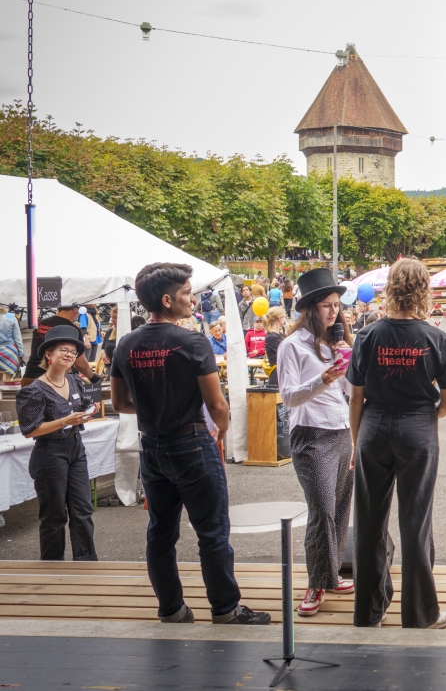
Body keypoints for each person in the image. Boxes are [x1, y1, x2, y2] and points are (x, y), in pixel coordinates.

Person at [111, 263, 270, 625]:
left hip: (151, 446)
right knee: (212, 532)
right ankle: (226, 609)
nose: (191, 298)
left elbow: (120, 404)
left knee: (160, 533)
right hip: (192, 442)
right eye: (186, 292)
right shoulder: (192, 342)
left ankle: (171, 608)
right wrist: (221, 431)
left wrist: (153, 408)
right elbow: (217, 405)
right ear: (167, 300)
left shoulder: (127, 344)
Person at [349, 258, 446, 630]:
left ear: (390, 287)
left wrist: (355, 442)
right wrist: (424, 421)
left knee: (367, 523)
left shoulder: (367, 334)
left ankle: (367, 613)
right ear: (423, 289)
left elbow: (355, 399)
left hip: (373, 428)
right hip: (417, 428)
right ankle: (420, 615)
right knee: (415, 522)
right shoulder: (434, 337)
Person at [277, 269, 356, 617]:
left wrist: (348, 368)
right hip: (310, 435)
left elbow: (350, 396)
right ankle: (315, 581)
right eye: (326, 305)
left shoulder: (337, 343)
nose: (333, 312)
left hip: (342, 432)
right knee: (321, 509)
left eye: (337, 305)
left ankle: (332, 574)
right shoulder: (291, 346)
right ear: (310, 307)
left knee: (340, 508)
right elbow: (289, 397)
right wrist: (323, 378)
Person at [16, 324, 97, 561]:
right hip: (50, 453)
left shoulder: (74, 382)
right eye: (64, 349)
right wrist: (65, 421)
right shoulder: (33, 390)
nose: (70, 355)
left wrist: (89, 410)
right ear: (48, 355)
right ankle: (52, 567)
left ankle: (87, 564)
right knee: (54, 515)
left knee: (83, 511)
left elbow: (80, 406)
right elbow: (30, 431)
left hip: (75, 448)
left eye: (73, 352)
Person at [22, 303, 95, 384]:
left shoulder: (42, 323)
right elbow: (80, 363)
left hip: (30, 377)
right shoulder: (72, 329)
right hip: (56, 380)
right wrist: (92, 377)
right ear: (75, 309)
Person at [0, 303, 25, 383]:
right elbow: (17, 337)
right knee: (8, 381)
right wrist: (21, 353)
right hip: (10, 352)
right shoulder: (10, 316)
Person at [263, 306, 287, 372]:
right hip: (277, 373)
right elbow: (287, 352)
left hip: (281, 372)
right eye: (284, 316)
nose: (285, 319)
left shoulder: (277, 334)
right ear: (279, 319)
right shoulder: (272, 337)